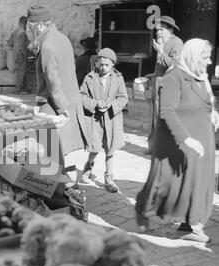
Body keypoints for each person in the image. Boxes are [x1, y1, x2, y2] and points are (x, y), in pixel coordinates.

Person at [136, 39, 219, 243]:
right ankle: (145, 210)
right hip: (183, 142)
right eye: (205, 58)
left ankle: (188, 225)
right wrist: (187, 139)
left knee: (197, 184)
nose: (209, 62)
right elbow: (167, 111)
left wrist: (213, 113)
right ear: (192, 56)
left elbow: (205, 100)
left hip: (202, 142)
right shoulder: (174, 77)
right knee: (174, 185)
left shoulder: (199, 76)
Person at [26, 5, 88, 183]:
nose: (30, 31)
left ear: (38, 25)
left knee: (49, 148)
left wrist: (62, 106)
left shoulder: (47, 45)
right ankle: (58, 182)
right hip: (68, 96)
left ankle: (53, 187)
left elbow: (52, 79)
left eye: (30, 27)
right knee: (57, 149)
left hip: (55, 103)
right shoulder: (62, 38)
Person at [79, 48, 128, 193]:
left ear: (113, 64)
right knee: (95, 147)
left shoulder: (119, 79)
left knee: (110, 148)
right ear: (96, 63)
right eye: (100, 64)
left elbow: (123, 97)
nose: (103, 68)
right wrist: (95, 104)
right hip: (95, 118)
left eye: (107, 65)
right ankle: (89, 164)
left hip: (112, 118)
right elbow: (81, 96)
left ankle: (109, 178)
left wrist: (111, 105)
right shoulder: (90, 78)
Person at [147, 16, 183, 152]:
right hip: (157, 85)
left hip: (168, 86)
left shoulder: (177, 43)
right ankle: (154, 147)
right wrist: (153, 75)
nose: (158, 33)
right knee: (155, 116)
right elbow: (162, 66)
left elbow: (175, 66)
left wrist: (160, 52)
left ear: (170, 30)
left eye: (161, 30)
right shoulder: (162, 42)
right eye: (157, 30)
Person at [8, 16, 30, 94]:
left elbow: (9, 44)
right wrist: (26, 56)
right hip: (21, 54)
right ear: (25, 23)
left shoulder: (15, 32)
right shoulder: (23, 33)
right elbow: (22, 47)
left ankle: (24, 89)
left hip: (15, 54)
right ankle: (18, 90)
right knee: (21, 72)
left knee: (19, 72)